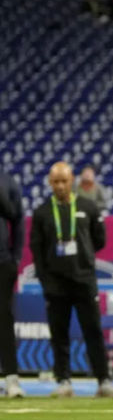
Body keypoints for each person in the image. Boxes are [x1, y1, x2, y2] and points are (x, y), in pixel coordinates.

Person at [29, 162, 113, 398]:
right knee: (59, 333)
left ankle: (103, 381)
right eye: (56, 181)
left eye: (64, 180)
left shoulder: (88, 207)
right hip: (55, 284)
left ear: (72, 181)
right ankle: (63, 381)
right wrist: (45, 281)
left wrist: (84, 258)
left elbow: (99, 241)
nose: (60, 185)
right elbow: (36, 251)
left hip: (84, 280)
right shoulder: (42, 212)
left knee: (93, 330)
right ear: (50, 183)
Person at [0, 168, 25, 397]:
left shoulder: (7, 181)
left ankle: (11, 378)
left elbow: (18, 219)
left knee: (4, 318)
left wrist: (15, 257)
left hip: (2, 261)